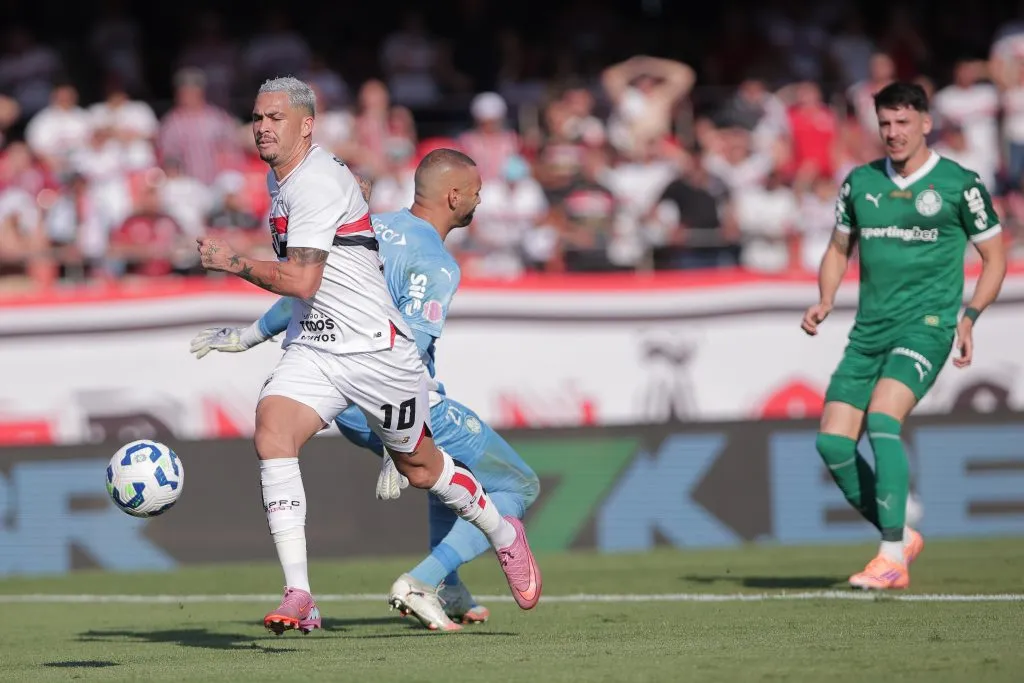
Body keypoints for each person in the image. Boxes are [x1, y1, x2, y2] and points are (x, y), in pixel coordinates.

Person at [195, 77, 541, 635]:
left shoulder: (328, 191)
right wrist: (251, 334)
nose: (261, 127)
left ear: (305, 125)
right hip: (321, 347)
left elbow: (302, 278)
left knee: (424, 468)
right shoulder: (294, 181)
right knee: (272, 429)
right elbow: (314, 282)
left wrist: (238, 274)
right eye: (257, 117)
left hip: (379, 358)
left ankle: (502, 535)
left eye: (273, 118)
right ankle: (301, 593)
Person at [801, 82, 1007, 590]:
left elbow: (996, 259)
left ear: (925, 123)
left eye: (903, 123)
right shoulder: (860, 184)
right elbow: (836, 248)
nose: (893, 133)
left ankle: (890, 557)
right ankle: (900, 536)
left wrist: (970, 316)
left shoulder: (960, 184)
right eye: (885, 124)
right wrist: (826, 298)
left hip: (927, 327)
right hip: (869, 330)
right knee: (831, 444)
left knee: (882, 417)